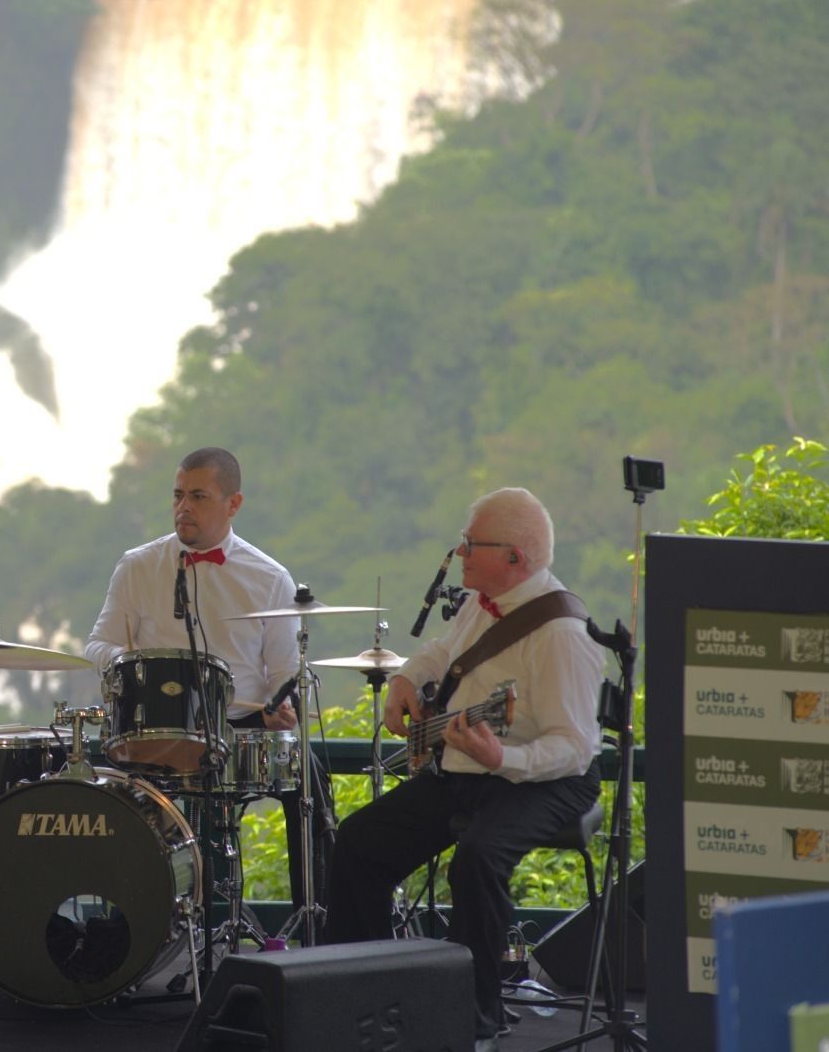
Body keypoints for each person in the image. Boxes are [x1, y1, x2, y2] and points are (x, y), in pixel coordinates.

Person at [323, 487, 603, 1051]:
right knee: (357, 844)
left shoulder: (562, 636)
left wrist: (506, 758)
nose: (461, 552)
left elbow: (574, 746)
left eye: (473, 544)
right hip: (469, 767)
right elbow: (442, 652)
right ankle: (366, 997)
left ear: (514, 560)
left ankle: (475, 1014)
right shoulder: (484, 598)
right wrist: (405, 679)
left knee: (477, 858)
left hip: (548, 779)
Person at [85, 447, 331, 932]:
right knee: (101, 795)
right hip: (156, 724)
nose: (183, 507)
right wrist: (125, 661)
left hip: (241, 727)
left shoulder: (269, 577)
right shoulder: (138, 566)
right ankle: (123, 929)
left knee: (312, 782)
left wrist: (283, 708)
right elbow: (98, 643)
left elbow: (284, 672)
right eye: (178, 495)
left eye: (198, 496)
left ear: (233, 504)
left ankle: (318, 924)